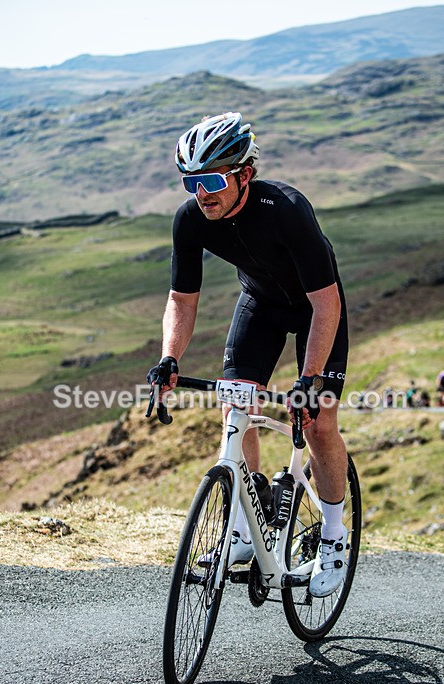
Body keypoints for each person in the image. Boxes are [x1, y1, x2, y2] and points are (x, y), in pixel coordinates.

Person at [147, 112, 349, 597]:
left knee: (319, 421)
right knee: (237, 404)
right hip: (260, 304)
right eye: (192, 181)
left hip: (315, 310)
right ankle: (247, 522)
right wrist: (170, 357)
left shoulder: (286, 209)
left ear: (244, 174)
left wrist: (310, 378)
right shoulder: (191, 218)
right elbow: (181, 299)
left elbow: (326, 303)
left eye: (213, 180)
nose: (202, 192)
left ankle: (334, 536)